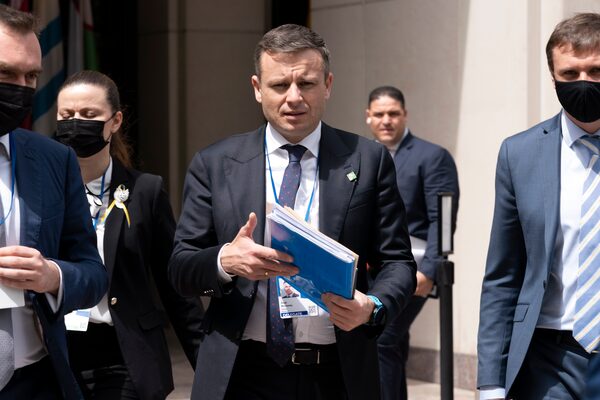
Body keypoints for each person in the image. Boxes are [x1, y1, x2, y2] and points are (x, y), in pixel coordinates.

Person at [168, 24, 416, 400]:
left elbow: (398, 263)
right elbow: (181, 269)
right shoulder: (215, 164)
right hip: (243, 374)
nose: (294, 97)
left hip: (337, 375)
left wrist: (372, 305)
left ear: (328, 85)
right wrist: (225, 261)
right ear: (257, 88)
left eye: (307, 83)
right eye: (280, 85)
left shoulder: (368, 160)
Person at [53, 70, 204, 400]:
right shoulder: (41, 191)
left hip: (124, 357)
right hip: (55, 354)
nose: (76, 123)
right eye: (67, 115)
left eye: (89, 114)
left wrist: (209, 369)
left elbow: (175, 285)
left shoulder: (145, 190)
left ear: (115, 121)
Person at [478, 12, 600, 400]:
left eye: (596, 71)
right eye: (570, 73)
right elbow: (503, 274)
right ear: (553, 78)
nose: (584, 82)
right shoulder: (520, 154)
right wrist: (491, 382)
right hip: (550, 359)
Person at [0, 5, 107, 400]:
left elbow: (93, 273)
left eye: (31, 76)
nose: (21, 88)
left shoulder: (53, 159)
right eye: (5, 74)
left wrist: (52, 276)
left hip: (35, 382)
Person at [365, 86, 459, 400]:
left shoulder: (431, 157)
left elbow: (442, 220)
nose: (386, 120)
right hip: (369, 271)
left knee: (382, 338)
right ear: (368, 117)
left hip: (413, 270)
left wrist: (429, 271)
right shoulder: (362, 155)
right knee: (392, 341)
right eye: (379, 114)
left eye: (393, 113)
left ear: (405, 115)